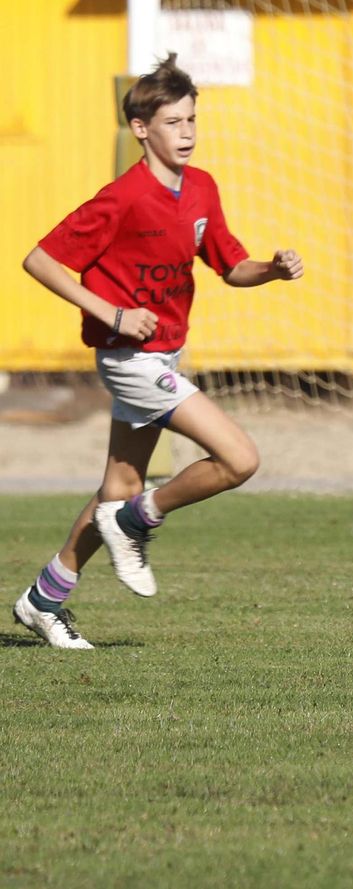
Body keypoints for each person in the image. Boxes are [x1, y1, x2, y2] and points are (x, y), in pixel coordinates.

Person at [12, 55, 303, 649]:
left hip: (166, 356)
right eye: (174, 122)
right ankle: (140, 519)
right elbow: (39, 260)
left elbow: (231, 266)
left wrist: (271, 271)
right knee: (240, 458)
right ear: (142, 128)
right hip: (129, 360)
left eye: (193, 119)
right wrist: (112, 313)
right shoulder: (122, 198)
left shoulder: (201, 189)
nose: (188, 133)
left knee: (116, 487)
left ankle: (44, 599)